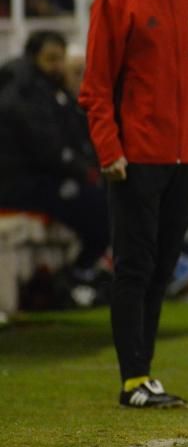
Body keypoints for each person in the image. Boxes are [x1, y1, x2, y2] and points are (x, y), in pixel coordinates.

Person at [78, 0, 188, 408]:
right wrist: (109, 149)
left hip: (184, 158)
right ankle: (132, 379)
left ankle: (143, 375)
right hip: (136, 158)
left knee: (163, 268)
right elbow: (94, 87)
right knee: (134, 267)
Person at [0, 30, 108, 291]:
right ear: (33, 58)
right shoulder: (23, 93)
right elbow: (46, 149)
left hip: (43, 177)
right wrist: (85, 172)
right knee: (101, 208)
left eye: (60, 59)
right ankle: (78, 274)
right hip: (21, 185)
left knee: (106, 201)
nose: (58, 66)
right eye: (51, 59)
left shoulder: (49, 92)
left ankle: (81, 273)